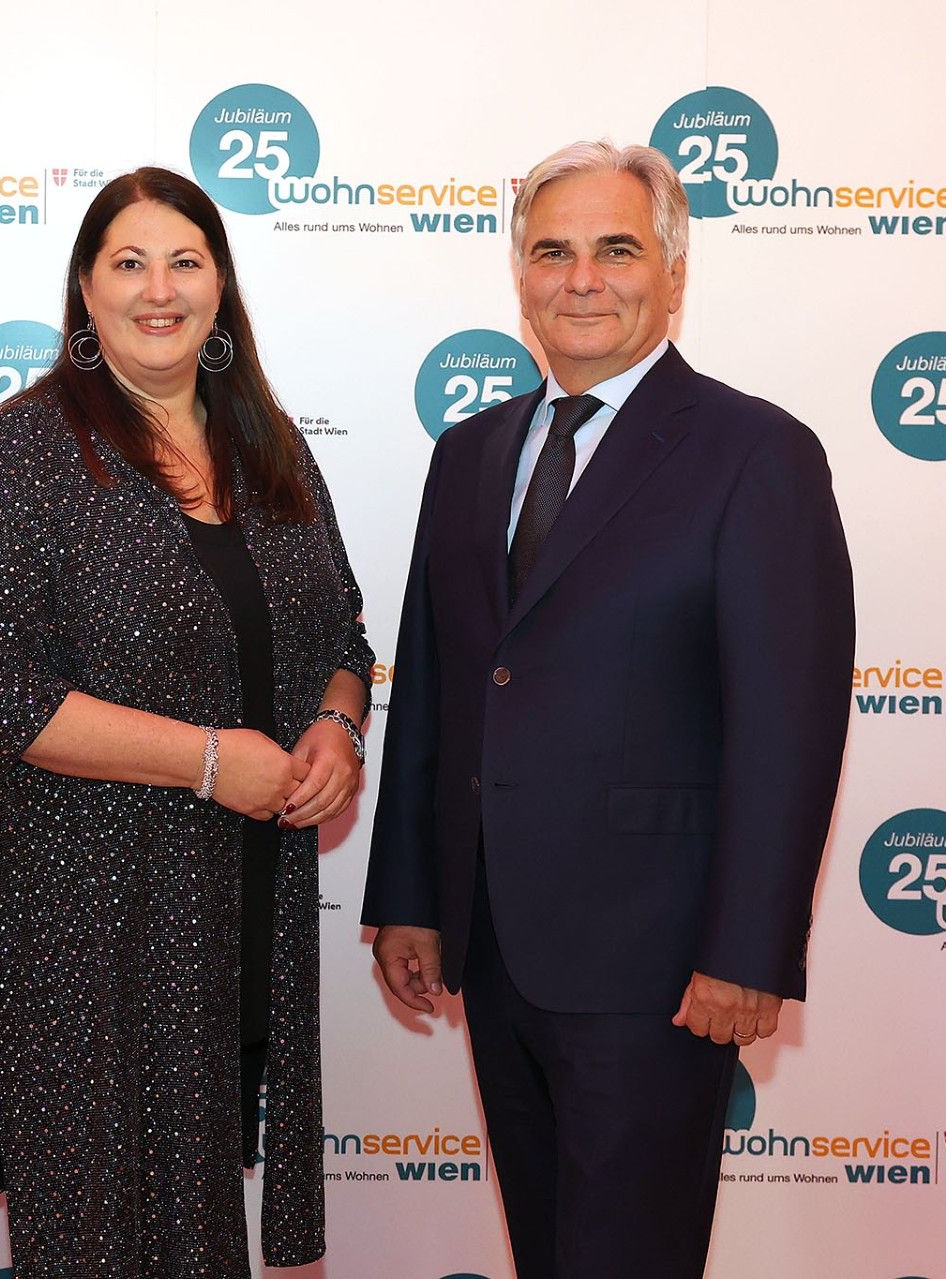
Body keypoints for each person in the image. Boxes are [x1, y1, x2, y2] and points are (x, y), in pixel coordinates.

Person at [362, 140, 854, 1279]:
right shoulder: (469, 454)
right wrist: (410, 898)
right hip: (493, 947)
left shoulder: (757, 453)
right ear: (519, 277)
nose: (582, 277)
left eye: (616, 249)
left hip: (663, 966)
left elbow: (789, 724)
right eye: (552, 251)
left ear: (671, 274)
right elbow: (437, 684)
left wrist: (749, 946)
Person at [0, 166, 372, 1279]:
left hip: (232, 914)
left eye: (186, 261)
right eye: (129, 262)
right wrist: (211, 761)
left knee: (196, 1235)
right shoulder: (28, 447)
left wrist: (337, 726)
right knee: (94, 1243)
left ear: (220, 286)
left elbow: (344, 636)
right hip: (77, 928)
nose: (158, 289)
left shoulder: (269, 443)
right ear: (85, 288)